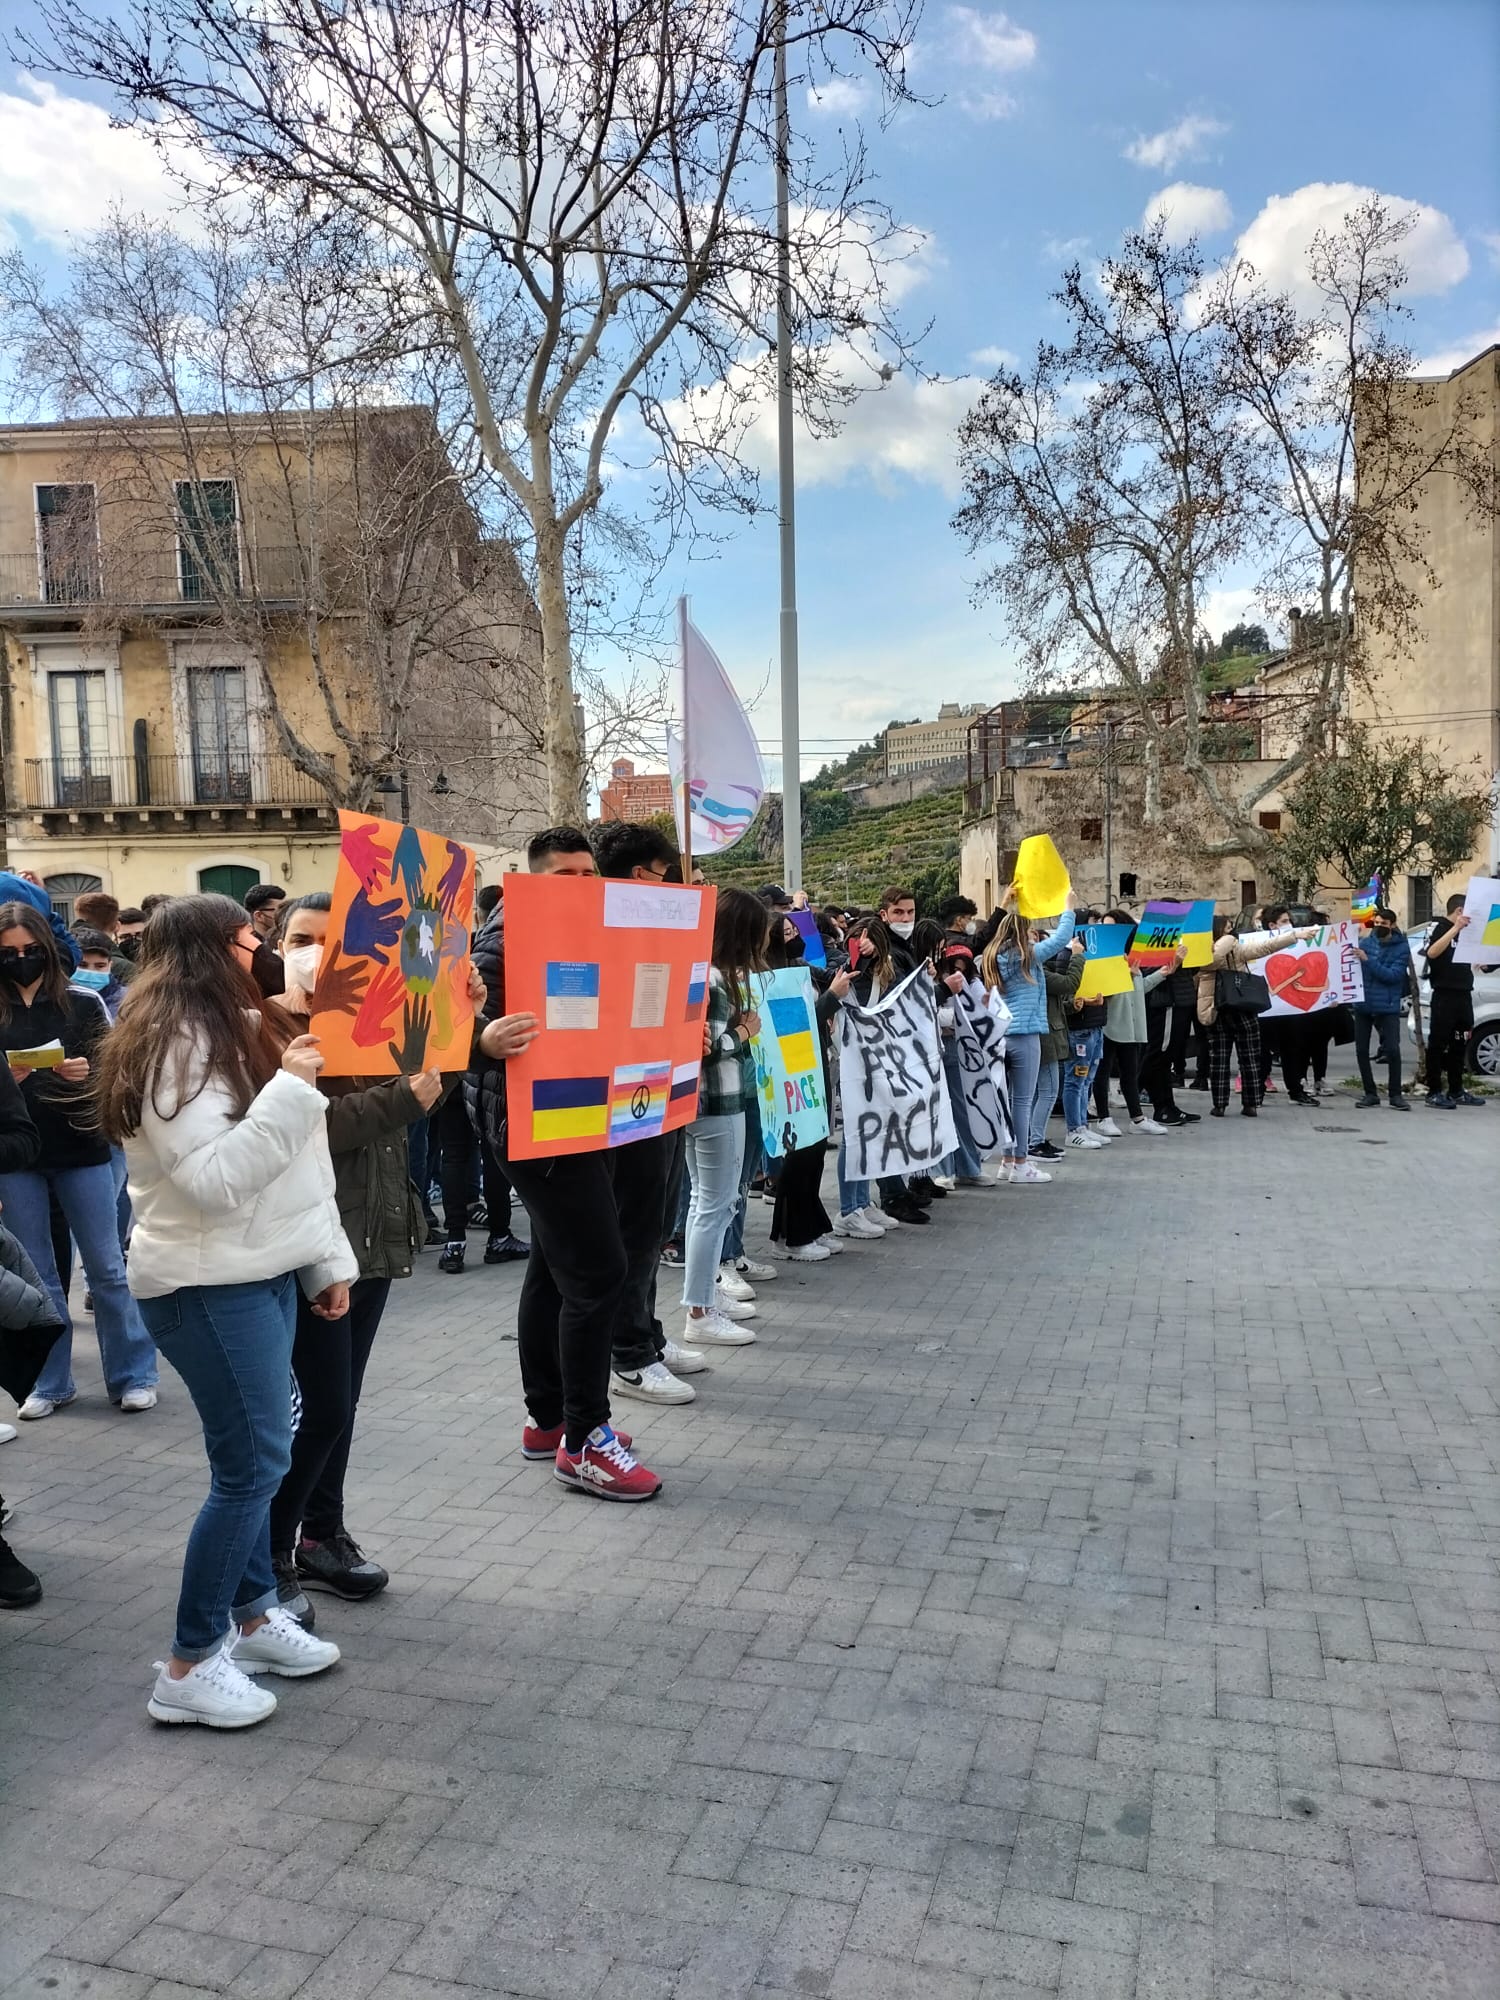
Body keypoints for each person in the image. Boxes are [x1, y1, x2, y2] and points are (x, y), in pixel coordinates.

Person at [95, 894, 351, 1726]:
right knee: (251, 1470)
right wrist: (293, 1086)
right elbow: (213, 1181)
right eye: (251, 940)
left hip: (257, 1273)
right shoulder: (176, 1042)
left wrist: (322, 1263)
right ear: (213, 952)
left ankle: (250, 1617)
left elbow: (293, 1174)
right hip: (208, 1288)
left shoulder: (234, 1023)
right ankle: (189, 1663)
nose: (264, 951)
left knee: (253, 1456)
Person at [265, 893, 466, 1617]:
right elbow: (304, 1131)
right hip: (309, 1248)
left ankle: (321, 1536)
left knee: (339, 1403)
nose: (313, 951)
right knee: (308, 1408)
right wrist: (406, 1100)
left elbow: (423, 1099)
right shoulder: (266, 1025)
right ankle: (272, 1553)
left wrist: (453, 1025)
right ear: (276, 942)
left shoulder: (374, 1020)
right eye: (299, 937)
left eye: (328, 940)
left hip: (371, 1237)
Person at [471, 828, 661, 1500]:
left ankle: (549, 1420)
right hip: (538, 1126)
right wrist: (481, 1039)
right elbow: (442, 1025)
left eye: (590, 874)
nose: (582, 886)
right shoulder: (501, 938)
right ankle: (585, 1440)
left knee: (554, 1267)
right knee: (598, 1273)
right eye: (566, 876)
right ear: (535, 878)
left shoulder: (592, 934)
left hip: (586, 1116)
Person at [0, 904, 159, 1420]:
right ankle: (51, 1382)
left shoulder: (82, 1001)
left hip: (82, 1148)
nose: (21, 961)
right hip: (17, 1155)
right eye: (8, 954)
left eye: (29, 951)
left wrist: (87, 1073)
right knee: (40, 1276)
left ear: (47, 948)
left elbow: (118, 1074)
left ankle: (134, 1374)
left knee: (107, 1267)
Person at [592, 819, 707, 1406]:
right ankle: (629, 1354)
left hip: (660, 1097)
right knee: (631, 1234)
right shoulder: (590, 932)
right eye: (668, 877)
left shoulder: (658, 938)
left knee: (654, 1227)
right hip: (611, 1110)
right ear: (642, 876)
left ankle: (647, 1336)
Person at [683, 889, 769, 1337]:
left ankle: (705, 1295)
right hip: (719, 1102)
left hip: (699, 1105)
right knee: (714, 1206)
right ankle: (700, 1310)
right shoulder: (718, 979)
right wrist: (744, 1030)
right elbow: (709, 1048)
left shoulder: (705, 972)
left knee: (705, 1203)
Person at [979, 887, 1076, 1184]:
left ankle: (1007, 1160)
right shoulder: (1027, 956)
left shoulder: (990, 956)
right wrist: (1068, 907)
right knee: (1023, 1100)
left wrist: (1015, 903)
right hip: (1025, 1035)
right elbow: (1061, 940)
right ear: (1024, 933)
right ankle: (1021, 1162)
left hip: (1000, 1035)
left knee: (1007, 1101)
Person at [1197, 914, 1318, 1117]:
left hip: (1226, 1008)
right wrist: (1228, 941)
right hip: (1231, 1007)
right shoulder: (1215, 952)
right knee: (1240, 1059)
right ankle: (1239, 1103)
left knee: (1236, 1058)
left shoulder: (1223, 951)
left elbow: (1266, 946)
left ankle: (1233, 1104)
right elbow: (1214, 960)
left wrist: (1294, 935)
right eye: (1227, 930)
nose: (1232, 933)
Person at [1096, 920, 1181, 1138]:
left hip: (1131, 1025)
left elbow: (1139, 990)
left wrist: (1161, 974)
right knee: (1103, 1073)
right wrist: (1129, 975)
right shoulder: (1108, 961)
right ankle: (1103, 1118)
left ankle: (1137, 1118)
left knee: (1130, 1074)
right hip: (1111, 1025)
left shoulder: (1133, 962)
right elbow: (1107, 992)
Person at [1423, 894, 1489, 1108]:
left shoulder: (1469, 933)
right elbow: (1432, 953)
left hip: (1463, 996)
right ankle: (1433, 1091)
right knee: (1438, 1044)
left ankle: (1456, 1090)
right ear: (1460, 911)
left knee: (1460, 1042)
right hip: (1444, 996)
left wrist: (1486, 963)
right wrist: (1456, 928)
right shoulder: (1441, 927)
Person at [1350, 905, 1413, 1109]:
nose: (1378, 927)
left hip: (1387, 1006)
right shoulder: (1366, 943)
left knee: (1393, 1050)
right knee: (1361, 1050)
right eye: (1375, 923)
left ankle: (1395, 1095)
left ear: (1392, 925)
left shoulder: (1401, 948)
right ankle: (1370, 1093)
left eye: (1383, 924)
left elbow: (1393, 976)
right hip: (1363, 1004)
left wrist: (1367, 962)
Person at [73, 892, 139, 987]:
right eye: (83, 965)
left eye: (100, 966)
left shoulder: (64, 955)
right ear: (117, 926)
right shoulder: (126, 969)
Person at [71, 927, 128, 1021]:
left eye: (100, 966)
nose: (91, 971)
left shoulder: (127, 1002)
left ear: (110, 965)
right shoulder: (51, 1001)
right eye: (82, 965)